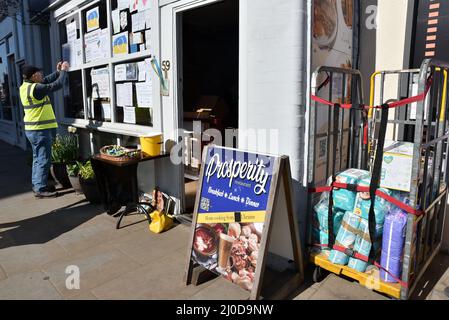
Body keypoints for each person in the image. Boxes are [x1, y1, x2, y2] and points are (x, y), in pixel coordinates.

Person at [19, 61, 70, 198]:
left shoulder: (25, 87)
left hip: (32, 129)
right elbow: (57, 85)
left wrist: (58, 72)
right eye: (39, 73)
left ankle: (37, 185)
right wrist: (64, 71)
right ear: (34, 76)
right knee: (43, 159)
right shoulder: (36, 89)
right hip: (39, 129)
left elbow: (46, 80)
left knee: (37, 158)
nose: (42, 74)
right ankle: (40, 189)